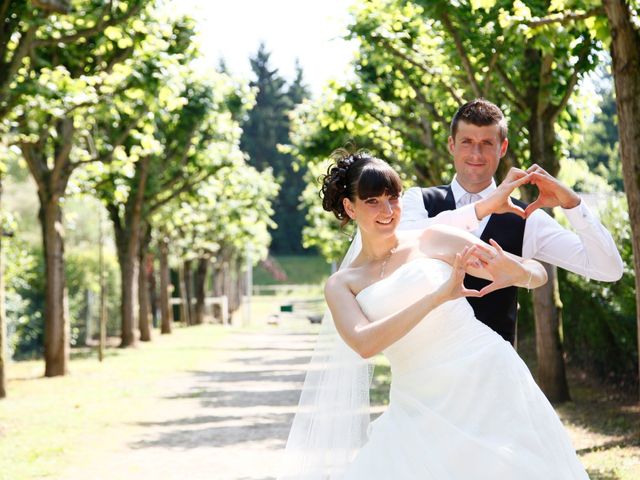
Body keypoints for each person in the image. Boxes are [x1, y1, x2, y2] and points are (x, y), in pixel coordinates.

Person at [278, 149, 589, 479]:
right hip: (417, 398)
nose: (388, 211)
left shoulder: (431, 238)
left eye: (393, 198)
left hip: (486, 374)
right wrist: (437, 296)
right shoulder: (342, 284)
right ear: (349, 207)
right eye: (373, 201)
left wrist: (518, 273)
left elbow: (535, 271)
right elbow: (364, 343)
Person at [401, 98, 624, 345]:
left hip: (494, 368)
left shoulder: (527, 217)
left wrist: (572, 203)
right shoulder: (418, 201)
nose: (476, 153)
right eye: (467, 142)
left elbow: (608, 269)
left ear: (503, 147)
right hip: (424, 361)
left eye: (487, 143)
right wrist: (483, 208)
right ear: (452, 145)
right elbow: (402, 242)